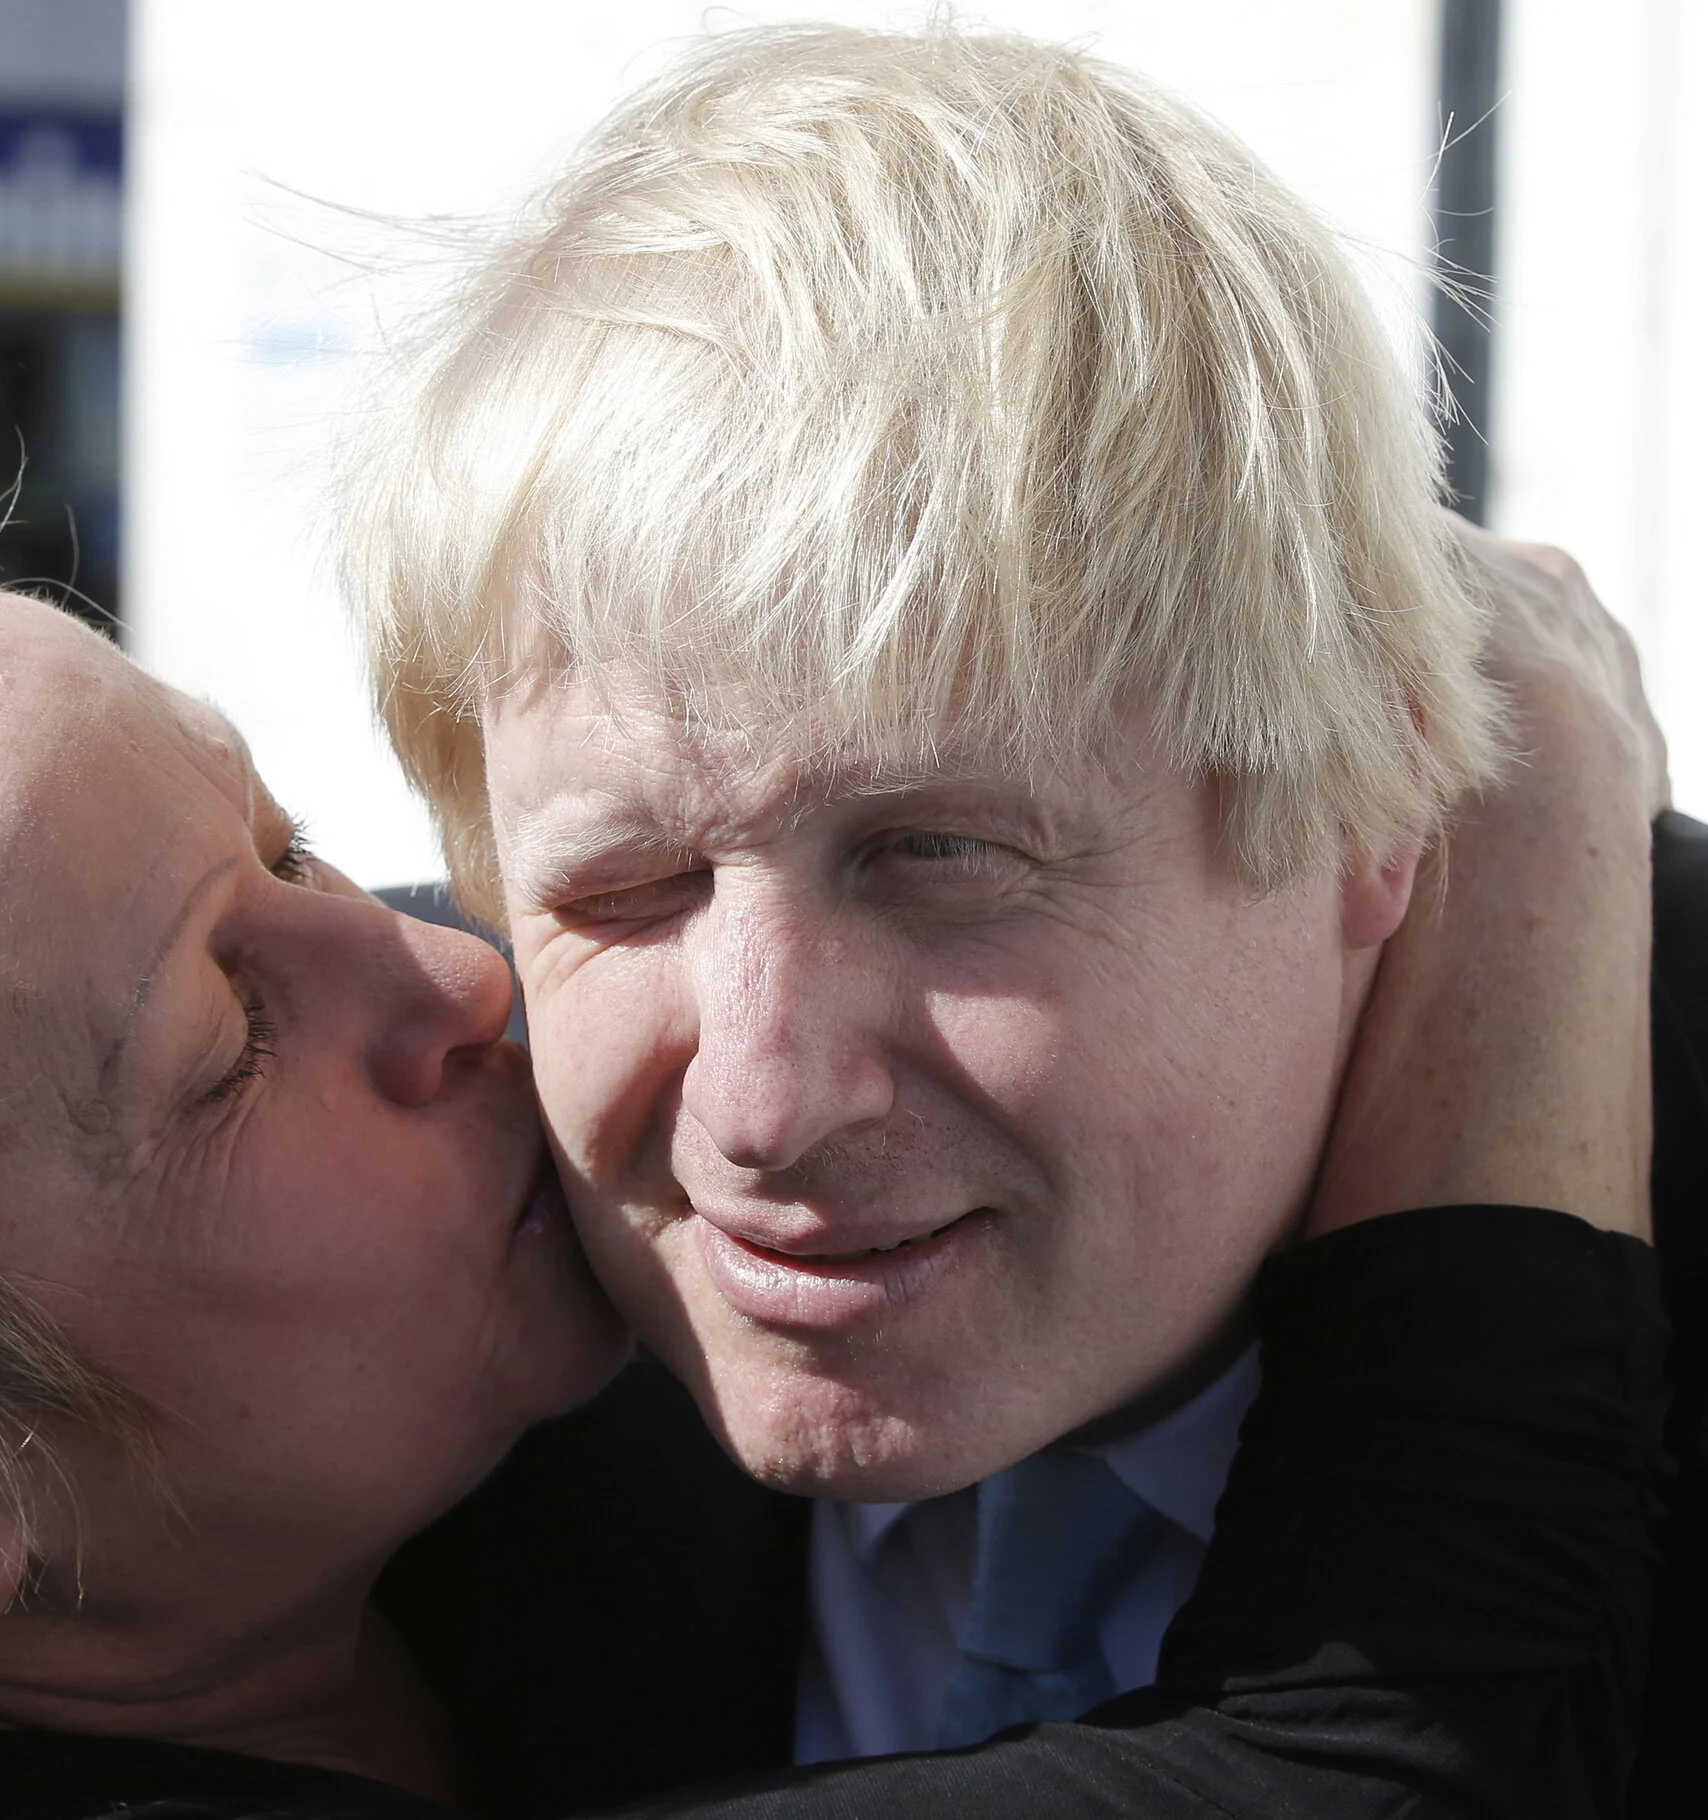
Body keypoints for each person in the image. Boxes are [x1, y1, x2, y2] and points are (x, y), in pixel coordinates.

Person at [0, 381, 1665, 1820]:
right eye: (223, 1041)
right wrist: (1537, 832)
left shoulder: (398, 1485)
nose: (447, 969)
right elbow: (1373, 1741)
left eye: (275, 835)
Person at [343, 22, 1700, 1818]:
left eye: (931, 857)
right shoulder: (371, 1382)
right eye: (628, 889)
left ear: (1374, 788)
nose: (760, 1100)